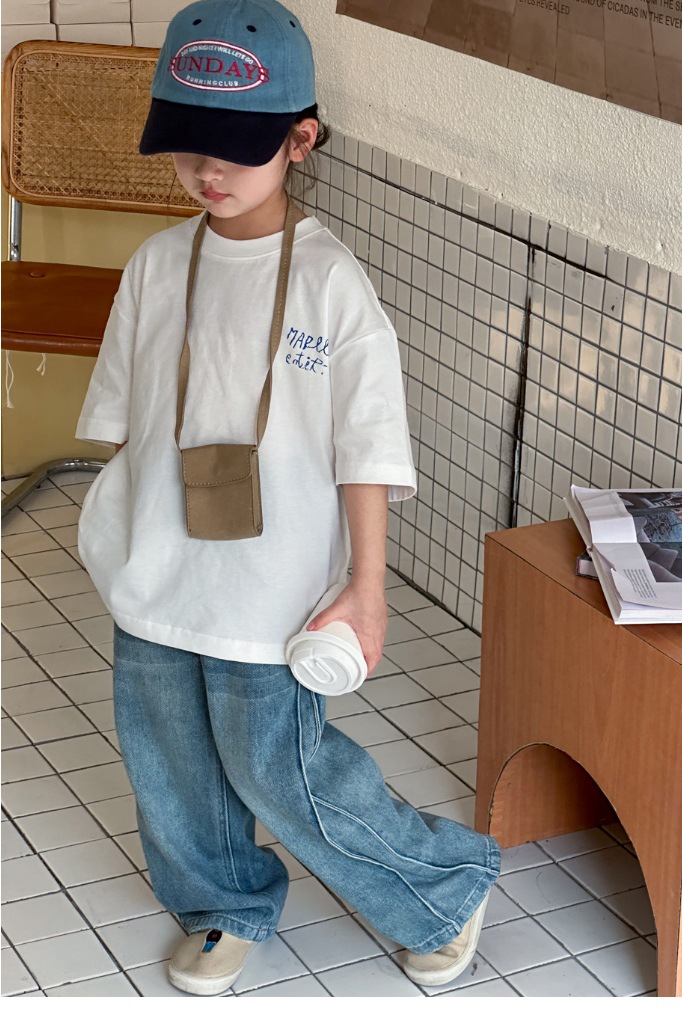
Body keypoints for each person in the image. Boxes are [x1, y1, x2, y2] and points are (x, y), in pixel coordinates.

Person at [75, 0, 501, 997]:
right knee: (170, 760)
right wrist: (119, 542)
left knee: (280, 766)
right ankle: (222, 902)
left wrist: (367, 586)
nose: (208, 171)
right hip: (158, 571)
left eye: (235, 147)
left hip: (274, 585)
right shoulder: (154, 267)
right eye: (188, 146)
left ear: (300, 140)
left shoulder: (331, 285)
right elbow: (127, 424)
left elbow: (367, 449)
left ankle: (441, 886)